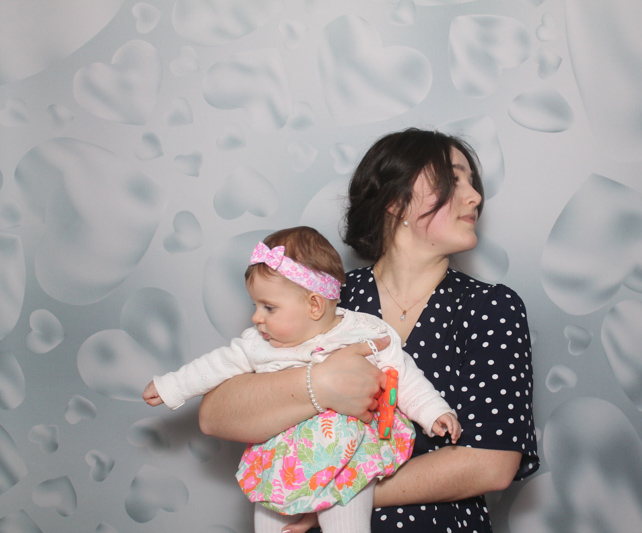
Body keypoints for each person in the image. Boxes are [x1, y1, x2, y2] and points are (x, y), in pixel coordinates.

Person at [199, 128, 539, 532]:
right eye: (452, 179)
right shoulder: (326, 297)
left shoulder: (491, 308)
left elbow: (492, 464)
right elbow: (215, 415)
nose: (475, 196)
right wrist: (319, 383)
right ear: (395, 199)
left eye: (472, 181)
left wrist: (328, 495)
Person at [143, 226, 461, 533]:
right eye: (256, 305)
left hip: (351, 454)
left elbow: (402, 374)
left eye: (269, 307)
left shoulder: (364, 331)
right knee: (271, 518)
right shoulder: (258, 343)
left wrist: (432, 411)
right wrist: (172, 386)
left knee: (347, 519)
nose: (256, 317)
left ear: (314, 305)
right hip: (283, 456)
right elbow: (214, 366)